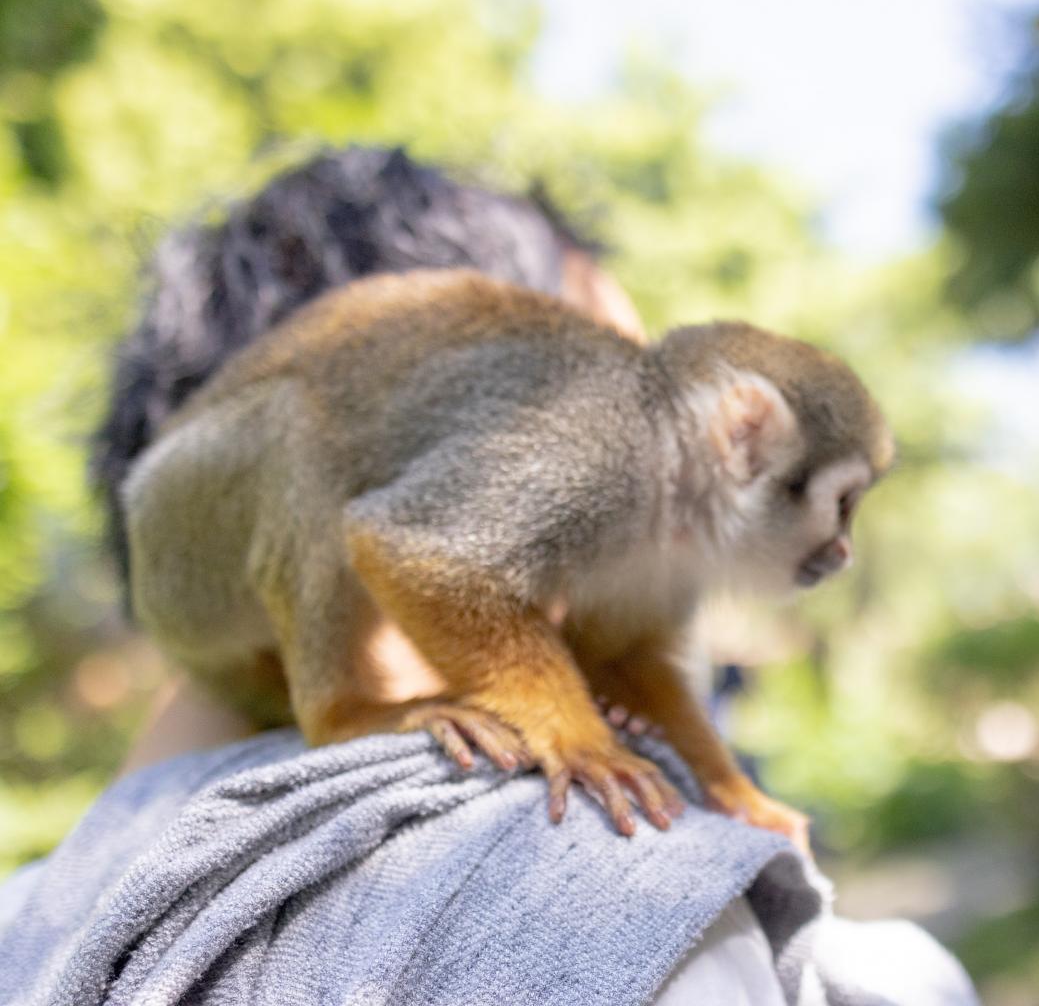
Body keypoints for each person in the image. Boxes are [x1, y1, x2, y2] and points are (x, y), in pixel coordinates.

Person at [0, 149, 977, 1006]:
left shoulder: (25, 920)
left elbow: (626, 659)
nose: (842, 549)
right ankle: (343, 703)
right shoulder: (593, 436)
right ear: (741, 433)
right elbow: (415, 553)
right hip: (206, 535)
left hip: (277, 591)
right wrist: (568, 733)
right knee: (310, 451)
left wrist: (731, 793)